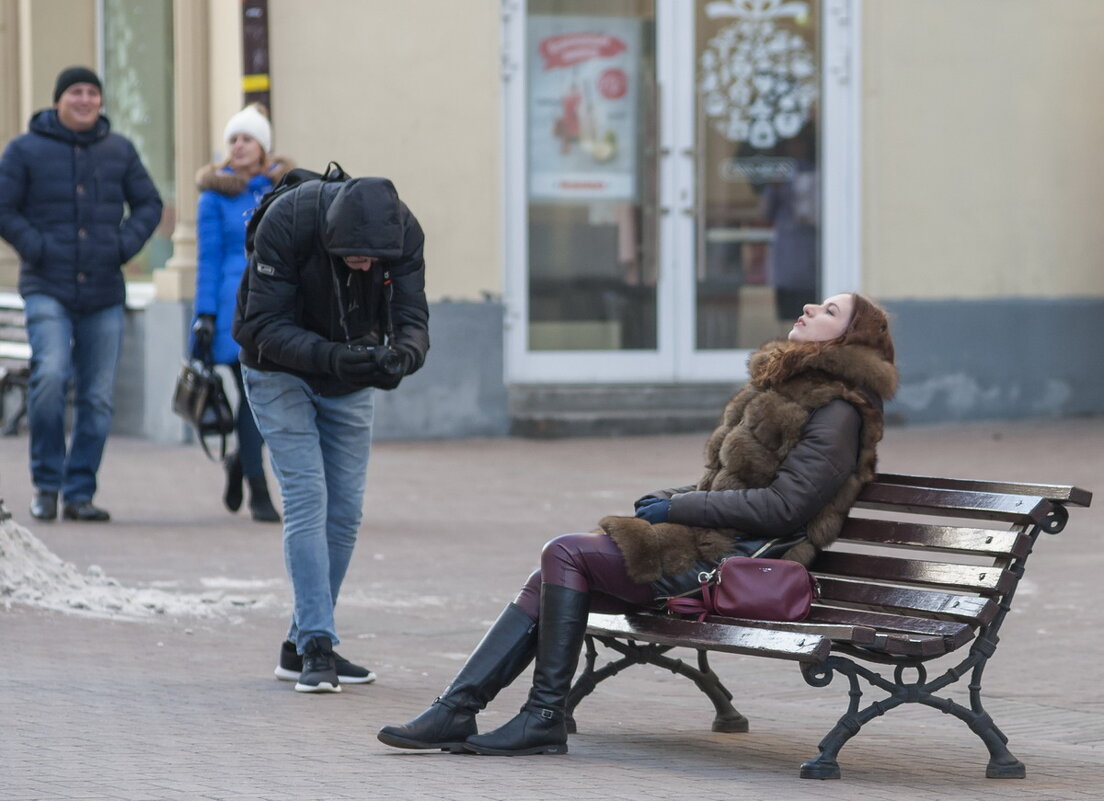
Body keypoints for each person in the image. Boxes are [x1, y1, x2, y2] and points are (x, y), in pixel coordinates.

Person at [378, 292, 897, 755]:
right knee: (553, 575)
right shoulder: (787, 389)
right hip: (711, 544)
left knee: (565, 554)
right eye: (817, 303)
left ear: (850, 339)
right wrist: (670, 497)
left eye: (829, 311)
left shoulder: (837, 412)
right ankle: (461, 710)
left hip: (739, 564)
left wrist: (679, 510)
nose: (809, 308)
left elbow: (786, 508)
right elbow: (725, 484)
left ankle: (535, 717)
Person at [232, 173, 429, 693]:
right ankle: (317, 643)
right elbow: (261, 325)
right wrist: (335, 355)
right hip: (276, 371)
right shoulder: (287, 221)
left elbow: (412, 317)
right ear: (330, 235)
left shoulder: (403, 232)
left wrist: (402, 357)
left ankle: (299, 646)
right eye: (352, 256)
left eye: (373, 259)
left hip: (348, 377)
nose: (364, 265)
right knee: (307, 497)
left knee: (345, 512)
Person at [0, 66, 163, 523]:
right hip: (46, 287)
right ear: (58, 100)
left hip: (104, 291)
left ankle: (79, 493)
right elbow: (3, 207)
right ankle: (46, 485)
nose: (86, 99)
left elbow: (149, 204)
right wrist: (36, 247)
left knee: (97, 396)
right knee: (50, 376)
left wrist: (122, 245)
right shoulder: (24, 150)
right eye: (76, 91)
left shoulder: (119, 150)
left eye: (93, 92)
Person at [191, 104, 293, 523]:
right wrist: (204, 315)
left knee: (269, 402)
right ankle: (258, 488)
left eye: (247, 138)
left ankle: (239, 461)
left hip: (277, 308)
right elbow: (208, 259)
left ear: (264, 146)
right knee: (253, 399)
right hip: (233, 312)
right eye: (233, 139)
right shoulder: (215, 196)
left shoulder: (282, 190)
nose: (238, 146)